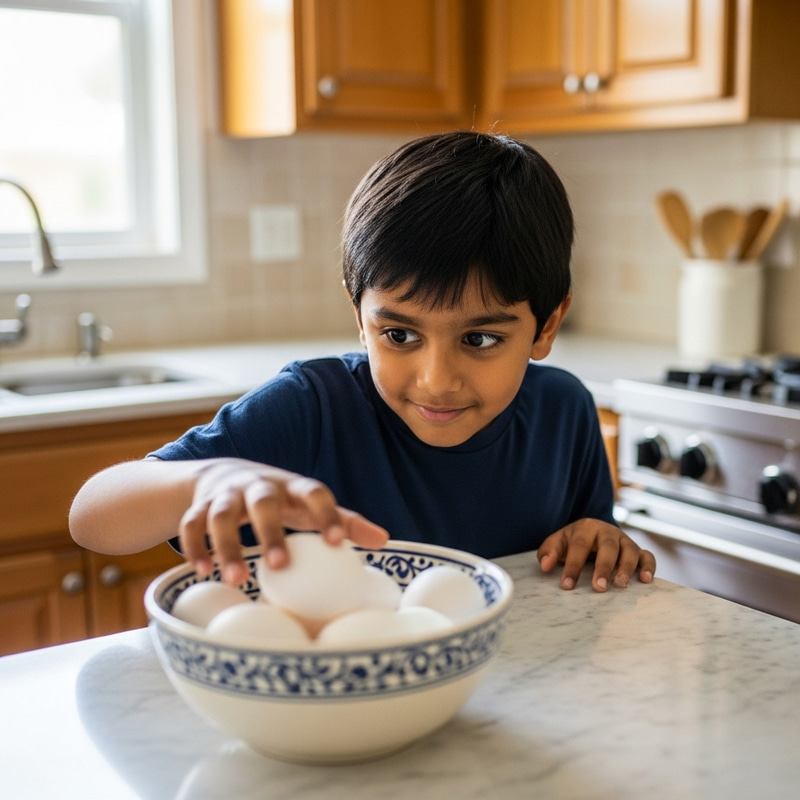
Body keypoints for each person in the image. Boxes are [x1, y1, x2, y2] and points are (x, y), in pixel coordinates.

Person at [69, 130, 655, 592]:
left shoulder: (563, 411)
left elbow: (585, 541)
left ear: (547, 325)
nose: (436, 380)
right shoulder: (311, 410)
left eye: (479, 340)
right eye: (399, 334)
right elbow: (92, 518)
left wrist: (601, 538)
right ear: (359, 317)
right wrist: (205, 478)